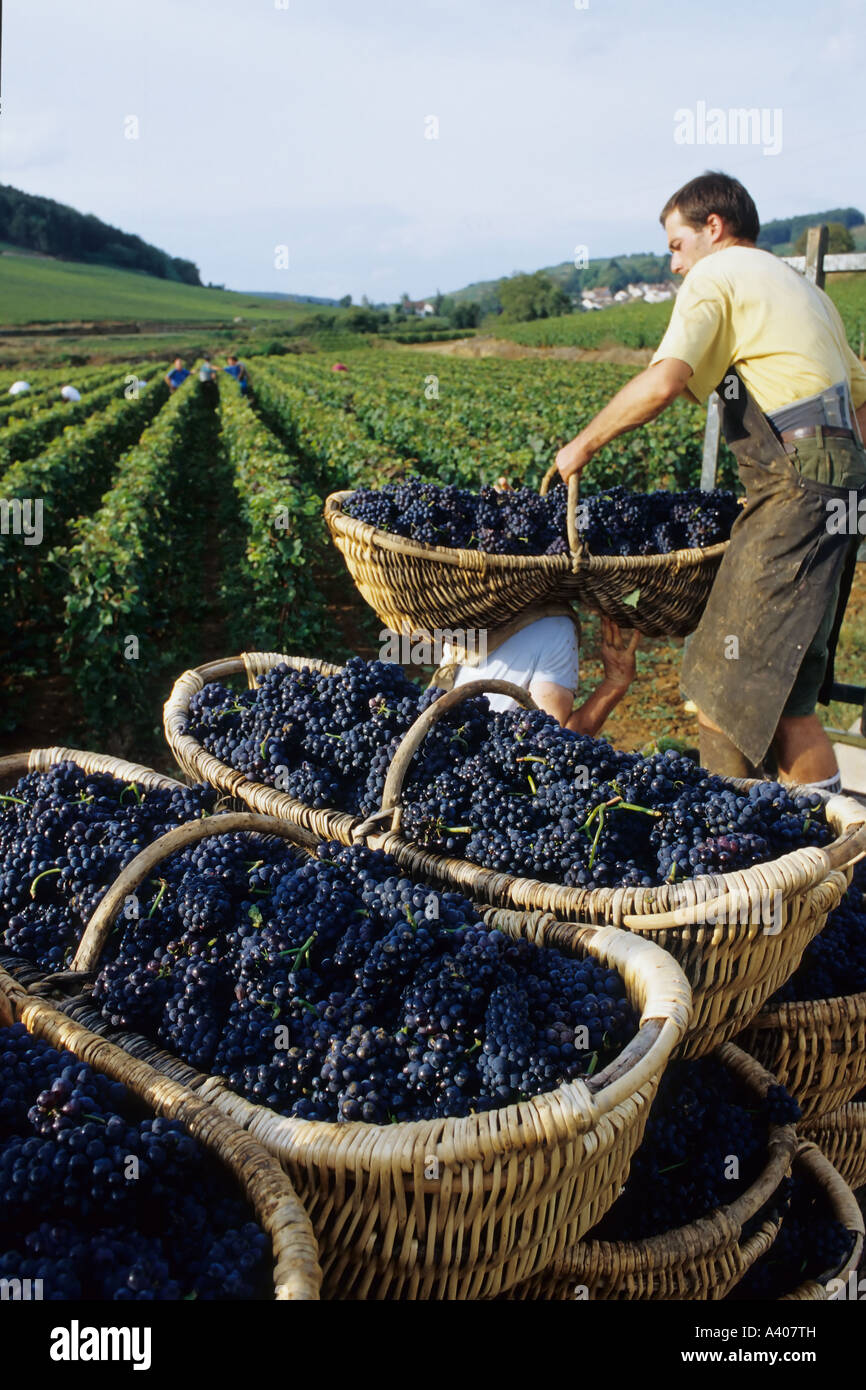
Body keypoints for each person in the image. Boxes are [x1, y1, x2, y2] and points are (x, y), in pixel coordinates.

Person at [555, 171, 866, 796]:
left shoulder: (716, 276)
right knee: (789, 699)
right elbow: (861, 402)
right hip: (837, 483)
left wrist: (580, 446)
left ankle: (739, 859)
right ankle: (832, 855)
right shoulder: (798, 288)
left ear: (714, 228)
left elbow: (665, 381)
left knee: (720, 685)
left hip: (799, 487)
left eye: (676, 244)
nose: (674, 264)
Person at [441, 610, 640, 736]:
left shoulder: (462, 612)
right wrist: (615, 684)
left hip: (443, 745)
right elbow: (551, 739)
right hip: (493, 774)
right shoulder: (556, 627)